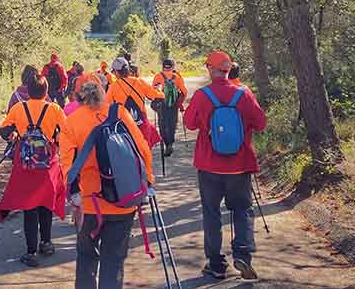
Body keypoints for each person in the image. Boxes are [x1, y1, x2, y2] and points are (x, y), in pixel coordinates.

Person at [60, 81, 155, 289]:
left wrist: (73, 196)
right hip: (124, 198)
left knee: (86, 257)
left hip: (88, 205)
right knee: (113, 258)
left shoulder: (71, 122)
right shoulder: (119, 112)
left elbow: (67, 165)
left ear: (79, 97)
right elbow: (142, 149)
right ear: (103, 94)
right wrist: (148, 181)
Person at [183, 51, 266, 281]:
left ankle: (216, 264)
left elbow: (189, 124)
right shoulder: (244, 93)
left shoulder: (202, 95)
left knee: (211, 214)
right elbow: (261, 123)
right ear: (228, 69)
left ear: (210, 68)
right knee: (242, 210)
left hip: (209, 166)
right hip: (240, 166)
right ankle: (243, 256)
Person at [0, 71, 68, 267]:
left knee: (29, 207)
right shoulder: (54, 108)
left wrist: (13, 135)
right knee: (46, 203)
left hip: (25, 163)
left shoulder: (19, 108)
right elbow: (66, 131)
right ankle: (46, 243)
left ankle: (31, 252)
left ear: (27, 91)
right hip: (48, 163)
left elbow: (3, 130)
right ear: (46, 91)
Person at [105, 57, 163, 150]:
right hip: (142, 124)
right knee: (145, 152)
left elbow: (107, 107)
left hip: (124, 127)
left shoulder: (113, 87)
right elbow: (157, 95)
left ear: (116, 72)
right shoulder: (139, 82)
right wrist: (159, 91)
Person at [151, 59, 189, 157]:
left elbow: (153, 92)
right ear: (172, 67)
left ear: (163, 67)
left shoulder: (158, 76)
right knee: (172, 124)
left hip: (161, 105)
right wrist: (180, 102)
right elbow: (184, 92)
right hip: (173, 104)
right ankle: (170, 143)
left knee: (162, 124)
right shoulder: (176, 77)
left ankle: (166, 143)